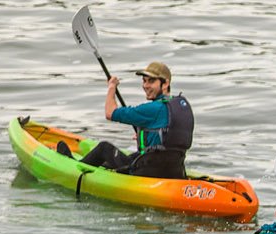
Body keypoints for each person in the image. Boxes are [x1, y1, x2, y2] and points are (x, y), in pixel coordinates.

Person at [60, 61, 192, 179]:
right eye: (144, 81)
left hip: (149, 173)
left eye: (151, 81)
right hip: (175, 171)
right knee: (132, 156)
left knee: (104, 148)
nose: (145, 85)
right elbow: (170, 138)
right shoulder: (181, 106)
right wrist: (146, 135)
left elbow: (110, 113)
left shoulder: (152, 108)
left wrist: (112, 87)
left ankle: (73, 169)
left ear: (166, 83)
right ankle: (102, 167)